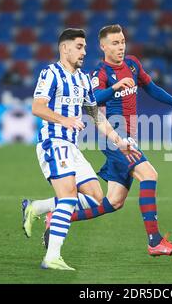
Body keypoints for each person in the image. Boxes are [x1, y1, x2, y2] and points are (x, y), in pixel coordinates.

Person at [42, 24, 172, 256]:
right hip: (114, 139)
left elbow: (151, 88)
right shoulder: (100, 74)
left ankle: (56, 219)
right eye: (115, 43)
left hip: (128, 138)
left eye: (123, 41)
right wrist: (114, 88)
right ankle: (154, 241)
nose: (121, 47)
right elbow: (89, 101)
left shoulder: (133, 64)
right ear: (103, 46)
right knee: (149, 174)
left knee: (114, 202)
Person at [22, 28, 140, 271]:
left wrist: (119, 141)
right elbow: (37, 107)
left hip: (72, 147)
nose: (84, 52)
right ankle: (51, 257)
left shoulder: (83, 79)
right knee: (67, 198)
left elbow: (96, 115)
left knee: (98, 199)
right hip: (53, 142)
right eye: (79, 47)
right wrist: (63, 120)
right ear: (64, 48)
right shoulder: (51, 73)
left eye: (85, 47)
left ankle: (37, 207)